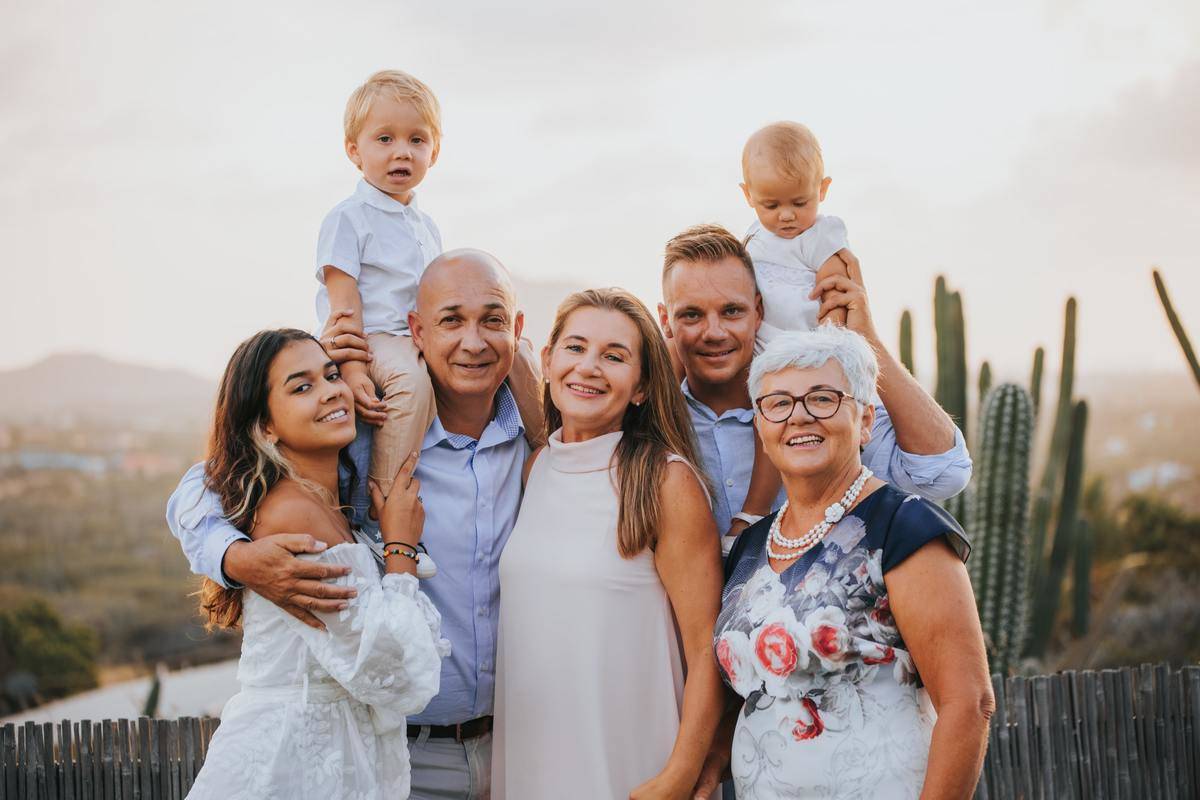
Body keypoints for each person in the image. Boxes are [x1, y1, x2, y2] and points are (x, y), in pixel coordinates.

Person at [168, 250, 532, 800]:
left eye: (493, 320)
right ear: (416, 332)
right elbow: (205, 484)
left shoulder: (540, 437)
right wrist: (233, 556)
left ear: (516, 329)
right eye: (451, 320)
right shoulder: (369, 436)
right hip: (399, 755)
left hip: (509, 751)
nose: (473, 342)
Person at [697, 326, 993, 799]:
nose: (799, 416)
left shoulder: (904, 528)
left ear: (866, 419)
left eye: (822, 398)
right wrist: (711, 764)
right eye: (778, 403)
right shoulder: (751, 547)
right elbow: (761, 691)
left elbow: (969, 704)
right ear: (761, 428)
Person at [184, 328, 448, 800]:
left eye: (331, 375)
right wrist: (400, 549)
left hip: (332, 752)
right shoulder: (293, 514)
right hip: (294, 762)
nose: (330, 392)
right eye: (302, 387)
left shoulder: (325, 504)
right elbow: (395, 672)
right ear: (266, 426)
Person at [493, 289, 725, 799]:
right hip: (536, 761)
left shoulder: (665, 481)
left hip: (630, 765)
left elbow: (706, 647)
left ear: (641, 387)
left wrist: (680, 775)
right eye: (576, 348)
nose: (589, 368)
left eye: (614, 356)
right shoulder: (538, 468)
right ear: (548, 361)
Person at [657, 224, 972, 550]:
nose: (714, 332)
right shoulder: (648, 419)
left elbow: (944, 472)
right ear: (665, 321)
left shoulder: (821, 409)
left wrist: (865, 339)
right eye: (691, 315)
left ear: (758, 311)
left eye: (732, 311)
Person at [315, 71, 541, 498]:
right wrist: (354, 368)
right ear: (354, 150)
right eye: (385, 139)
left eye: (416, 140)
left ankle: (547, 452)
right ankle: (386, 494)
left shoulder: (425, 225)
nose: (402, 151)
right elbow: (342, 306)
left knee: (520, 352)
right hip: (377, 338)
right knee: (411, 382)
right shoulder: (348, 217)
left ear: (433, 152)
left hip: (420, 334)